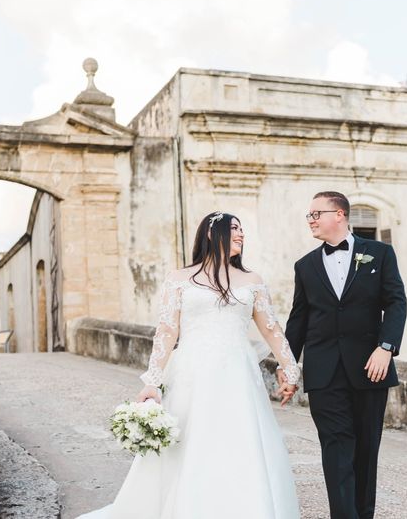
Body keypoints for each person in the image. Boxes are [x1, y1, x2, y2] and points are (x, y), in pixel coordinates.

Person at [77, 211, 301, 519]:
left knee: (240, 440)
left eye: (242, 229)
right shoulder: (180, 278)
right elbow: (167, 331)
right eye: (233, 228)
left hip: (238, 374)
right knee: (189, 444)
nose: (241, 234)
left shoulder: (252, 281)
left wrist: (290, 368)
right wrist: (152, 381)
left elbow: (271, 329)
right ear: (212, 234)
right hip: (191, 372)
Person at [282, 191, 407, 519]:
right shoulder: (305, 266)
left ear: (339, 214)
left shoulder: (380, 254)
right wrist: (288, 367)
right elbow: (298, 321)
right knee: (336, 450)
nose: (310, 220)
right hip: (323, 373)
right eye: (308, 215)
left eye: (316, 213)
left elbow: (396, 302)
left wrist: (386, 347)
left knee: (365, 453)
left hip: (370, 369)